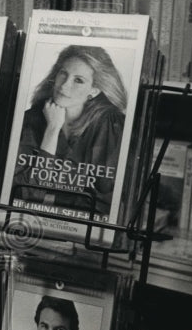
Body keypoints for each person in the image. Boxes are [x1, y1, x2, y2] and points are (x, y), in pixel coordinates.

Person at [13, 45, 127, 217]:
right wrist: (52, 130)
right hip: (27, 227)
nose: (64, 86)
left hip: (82, 235)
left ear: (94, 91)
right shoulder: (30, 120)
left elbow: (105, 201)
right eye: (63, 74)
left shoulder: (110, 126)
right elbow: (25, 195)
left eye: (78, 80)